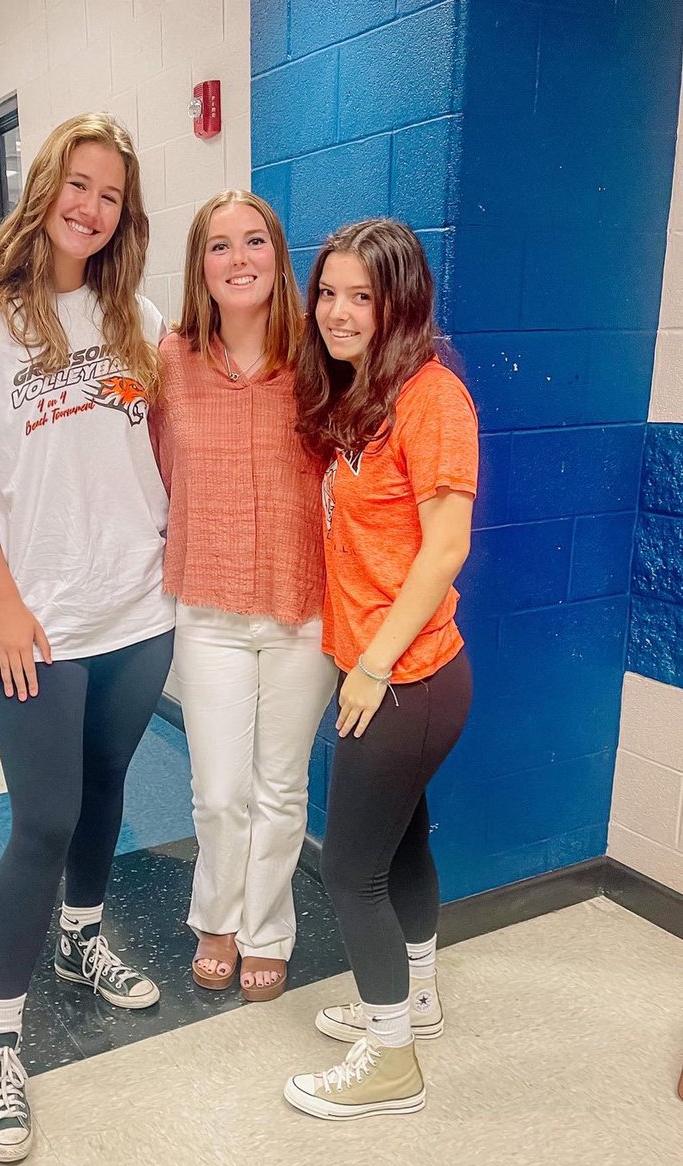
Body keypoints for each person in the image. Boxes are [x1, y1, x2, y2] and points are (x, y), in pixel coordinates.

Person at [0, 113, 174, 1163]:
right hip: (35, 618)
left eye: (110, 194)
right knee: (42, 817)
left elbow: (167, 442)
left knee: (108, 782)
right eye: (78, 184)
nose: (90, 206)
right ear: (44, 189)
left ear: (124, 215)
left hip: (136, 606)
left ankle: (80, 940)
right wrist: (6, 600)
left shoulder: (139, 315)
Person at [282, 219, 478, 1119]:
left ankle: (391, 1059)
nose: (338, 311)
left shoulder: (432, 396)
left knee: (347, 871)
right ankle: (419, 996)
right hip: (398, 674)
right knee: (402, 842)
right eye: (328, 292)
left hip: (405, 679)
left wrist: (368, 666)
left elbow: (444, 549)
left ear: (399, 302)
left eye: (362, 295)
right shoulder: (363, 397)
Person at [151, 190, 337, 1003]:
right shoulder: (169, 362)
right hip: (209, 609)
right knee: (219, 788)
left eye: (253, 242)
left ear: (277, 255)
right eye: (219, 246)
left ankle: (266, 930)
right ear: (201, 266)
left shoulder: (317, 359)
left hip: (303, 609)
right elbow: (152, 471)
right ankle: (214, 916)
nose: (239, 260)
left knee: (280, 788)